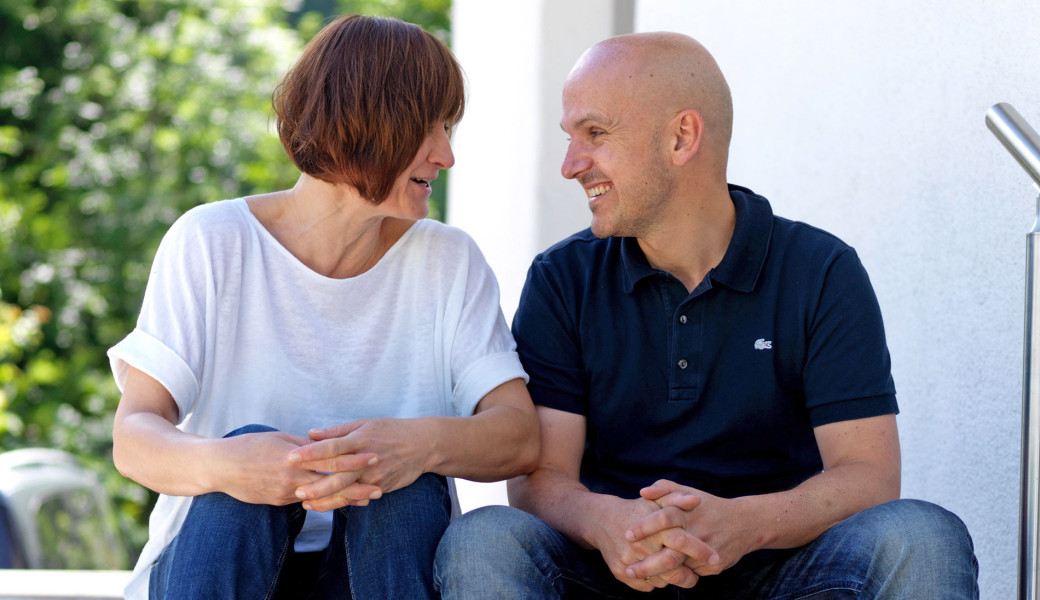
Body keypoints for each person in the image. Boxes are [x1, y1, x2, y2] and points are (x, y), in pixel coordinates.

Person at [434, 32, 979, 599]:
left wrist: (742, 525)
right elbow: (540, 481)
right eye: (571, 138)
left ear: (681, 137)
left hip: (783, 575)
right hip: (610, 572)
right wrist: (610, 523)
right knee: (486, 538)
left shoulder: (821, 271)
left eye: (595, 133)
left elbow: (869, 473)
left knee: (921, 534)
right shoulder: (563, 278)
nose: (571, 165)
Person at [108, 15, 539, 600]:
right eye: (430, 128)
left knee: (402, 486)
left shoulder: (448, 259)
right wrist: (234, 464)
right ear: (365, 123)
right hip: (221, 568)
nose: (446, 155)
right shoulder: (211, 240)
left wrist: (415, 445)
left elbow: (518, 436)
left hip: (378, 574)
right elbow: (134, 437)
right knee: (238, 481)